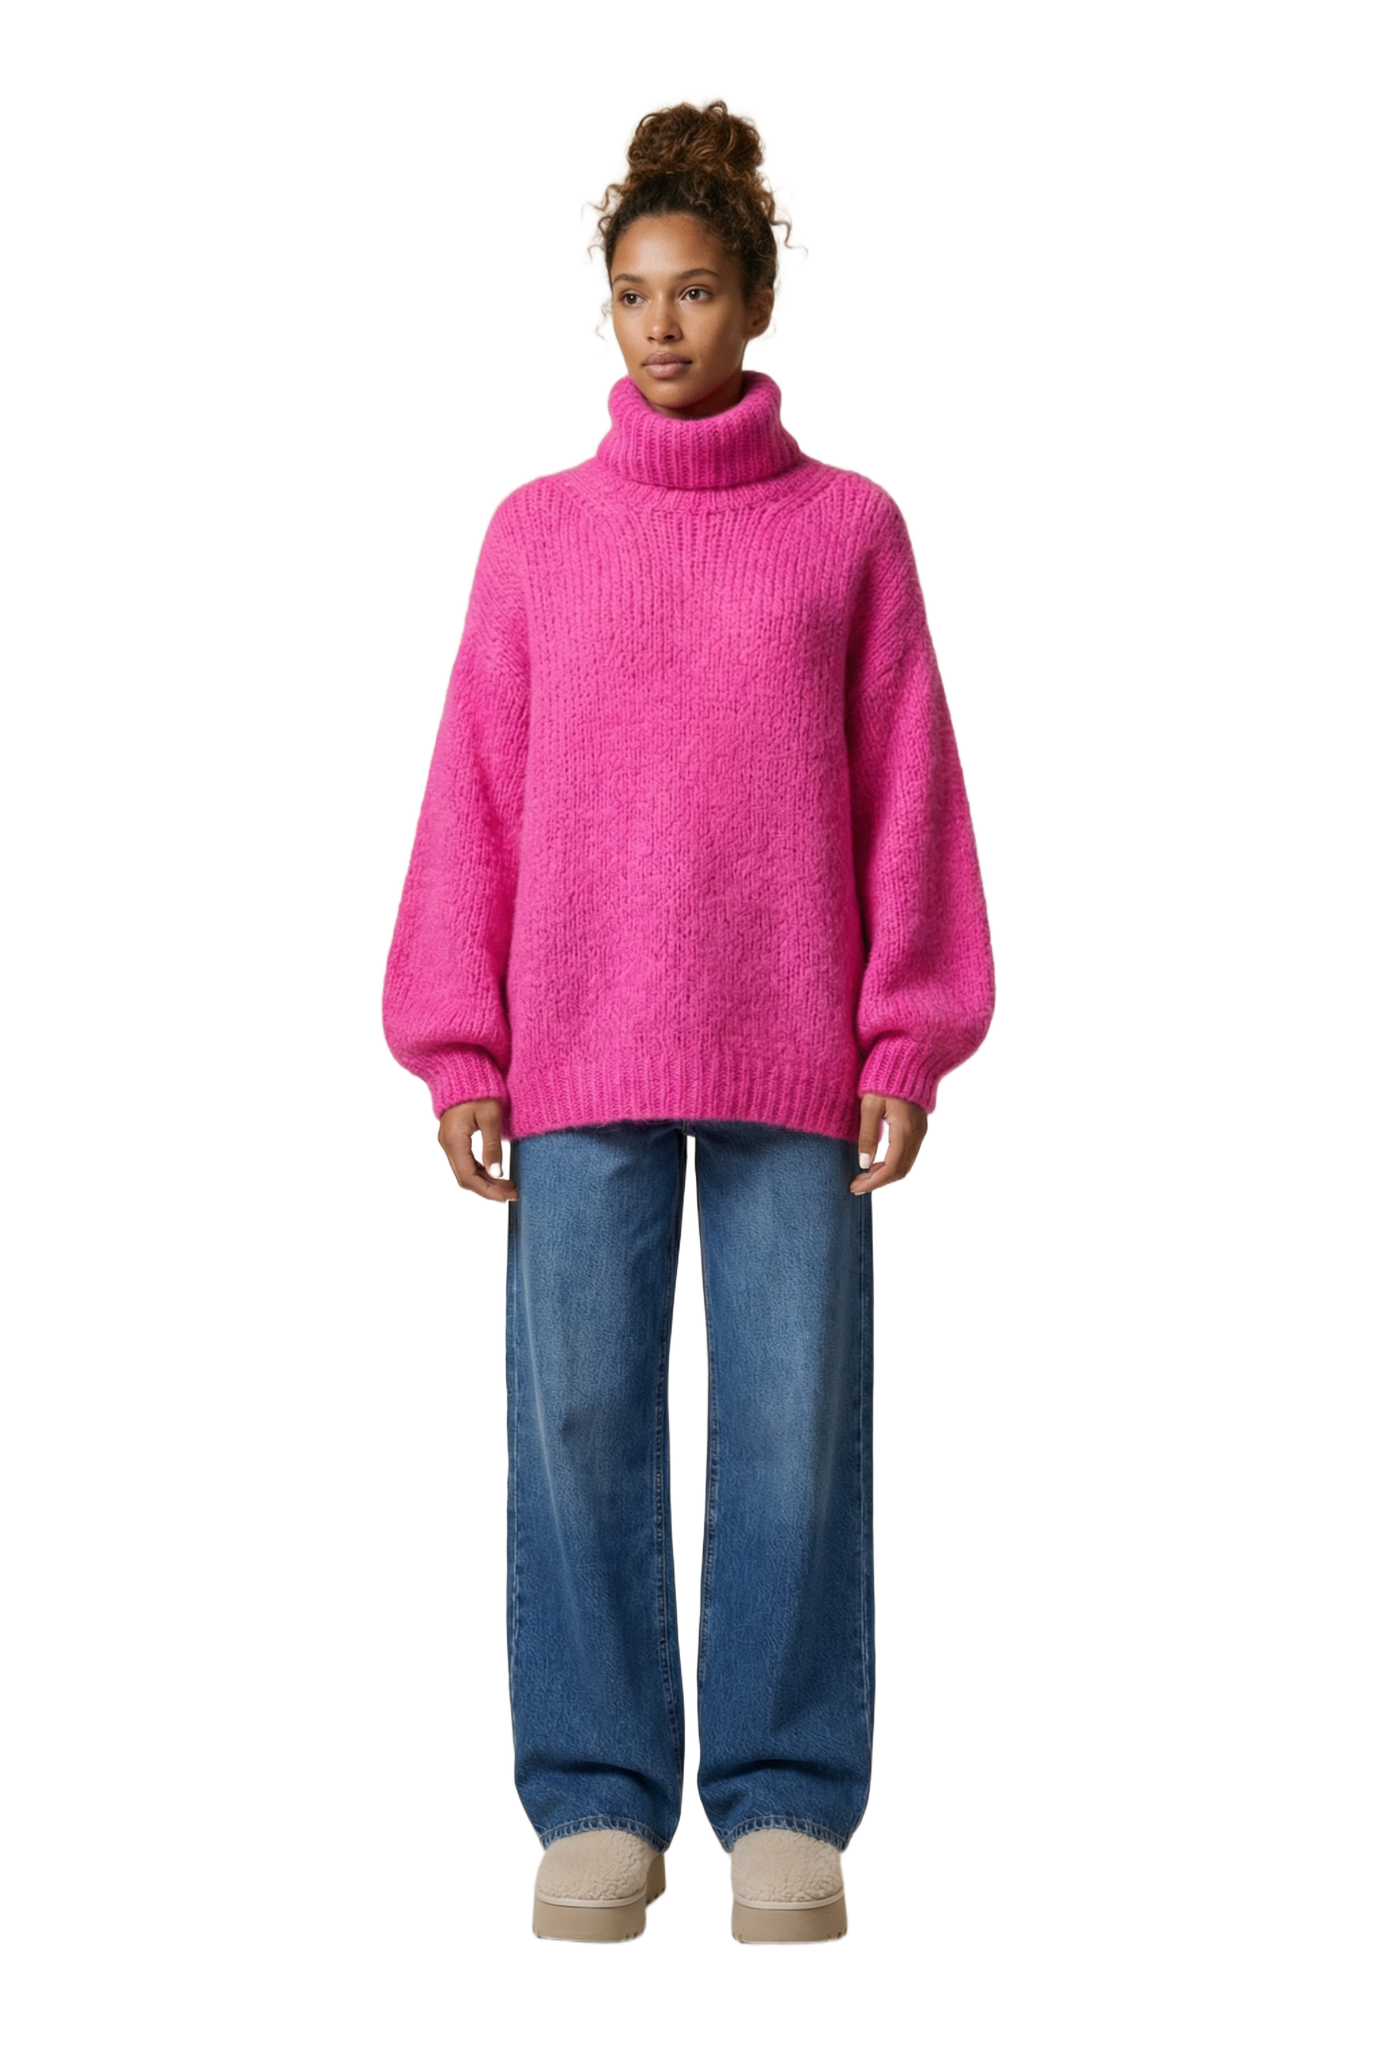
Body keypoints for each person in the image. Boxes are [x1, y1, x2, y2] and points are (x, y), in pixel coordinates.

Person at [381, 96, 996, 1949]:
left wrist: (908, 1035)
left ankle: (788, 1791)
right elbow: (474, 793)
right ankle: (597, 1797)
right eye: (637, 293)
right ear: (611, 306)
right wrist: (459, 1043)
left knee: (794, 1427)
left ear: (757, 303)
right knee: (578, 1421)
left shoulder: (848, 531)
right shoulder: (537, 536)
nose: (663, 325)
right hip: (578, 1043)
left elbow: (908, 792)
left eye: (700, 290)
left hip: (795, 1048)